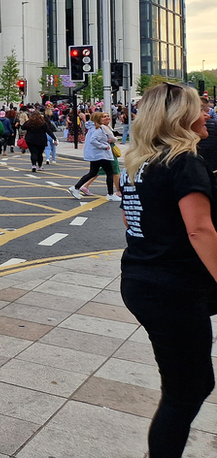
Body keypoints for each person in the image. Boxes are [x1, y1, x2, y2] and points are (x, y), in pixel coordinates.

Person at [119, 82, 217, 458]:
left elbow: (131, 222)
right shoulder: (184, 162)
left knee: (190, 384)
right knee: (186, 391)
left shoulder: (138, 162)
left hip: (143, 279)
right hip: (171, 288)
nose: (206, 114)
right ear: (180, 118)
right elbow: (199, 229)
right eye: (199, 108)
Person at [68, 111, 120, 201]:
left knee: (93, 173)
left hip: (96, 155)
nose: (105, 118)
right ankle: (110, 194)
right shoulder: (98, 129)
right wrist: (104, 146)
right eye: (103, 117)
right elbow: (93, 140)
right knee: (109, 173)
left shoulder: (94, 128)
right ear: (98, 119)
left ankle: (76, 187)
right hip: (101, 155)